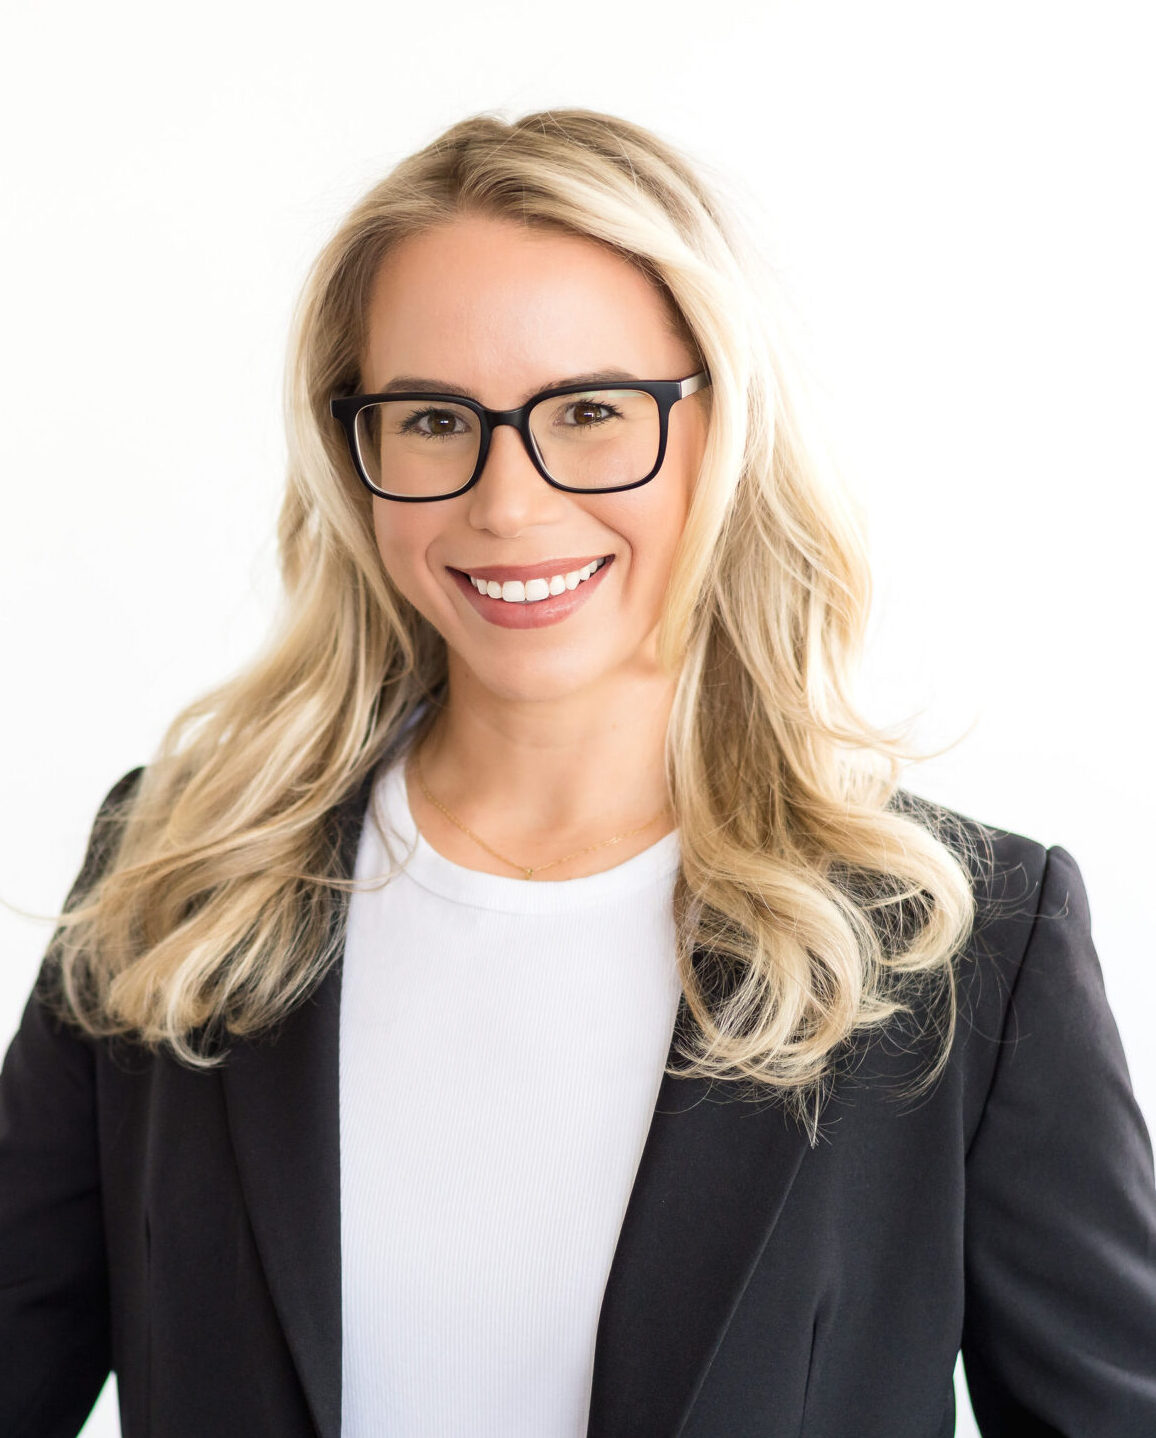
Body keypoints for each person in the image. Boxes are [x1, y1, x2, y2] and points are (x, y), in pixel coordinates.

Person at [2, 108, 1154, 1438]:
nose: (507, 503)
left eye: (593, 411)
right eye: (435, 418)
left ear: (724, 423)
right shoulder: (182, 873)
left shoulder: (964, 943)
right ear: (354, 444)